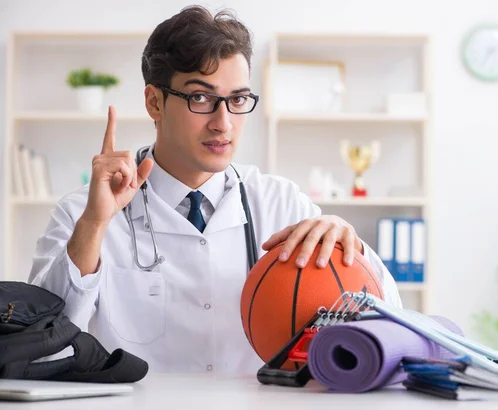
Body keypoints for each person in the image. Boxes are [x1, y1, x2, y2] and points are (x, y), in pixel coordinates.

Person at [28, 5, 402, 374]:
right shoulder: (82, 213)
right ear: (154, 102)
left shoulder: (282, 204)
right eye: (200, 98)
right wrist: (94, 225)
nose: (223, 124)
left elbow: (390, 316)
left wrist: (347, 248)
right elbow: (41, 347)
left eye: (237, 99)